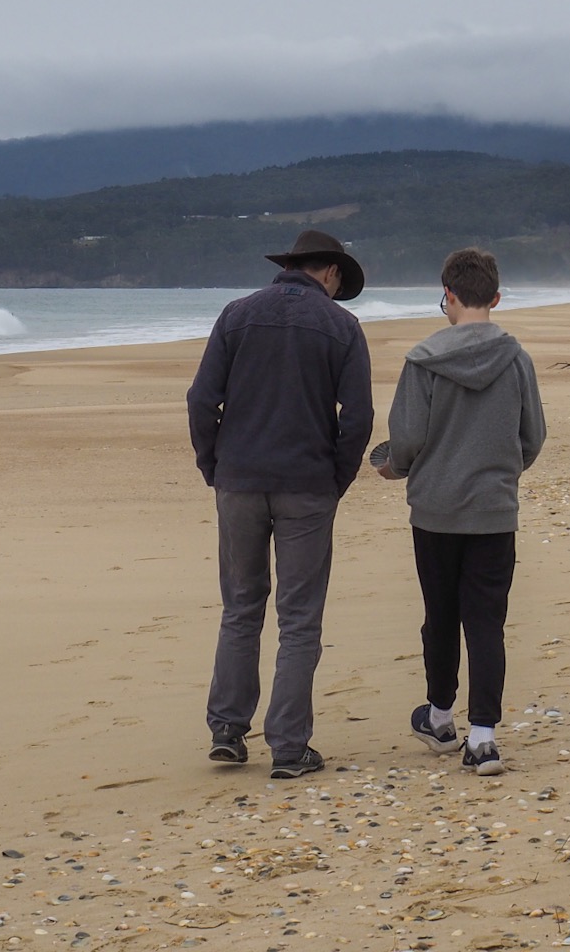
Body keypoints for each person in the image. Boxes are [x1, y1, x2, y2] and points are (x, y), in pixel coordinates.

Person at [187, 229, 373, 779]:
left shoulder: (237, 315)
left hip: (239, 481)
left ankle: (227, 729)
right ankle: (289, 747)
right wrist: (336, 480)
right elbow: (358, 418)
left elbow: (201, 399)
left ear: (293, 265)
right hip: (307, 485)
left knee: (241, 607)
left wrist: (213, 465)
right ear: (331, 272)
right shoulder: (342, 326)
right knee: (299, 619)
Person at [378, 248, 546, 776]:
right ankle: (483, 738)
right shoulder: (516, 359)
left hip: (436, 509)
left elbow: (407, 437)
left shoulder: (422, 360)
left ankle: (440, 717)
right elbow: (532, 436)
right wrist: (502, 472)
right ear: (495, 297)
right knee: (486, 622)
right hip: (493, 508)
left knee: (441, 616)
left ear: (447, 294)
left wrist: (397, 467)